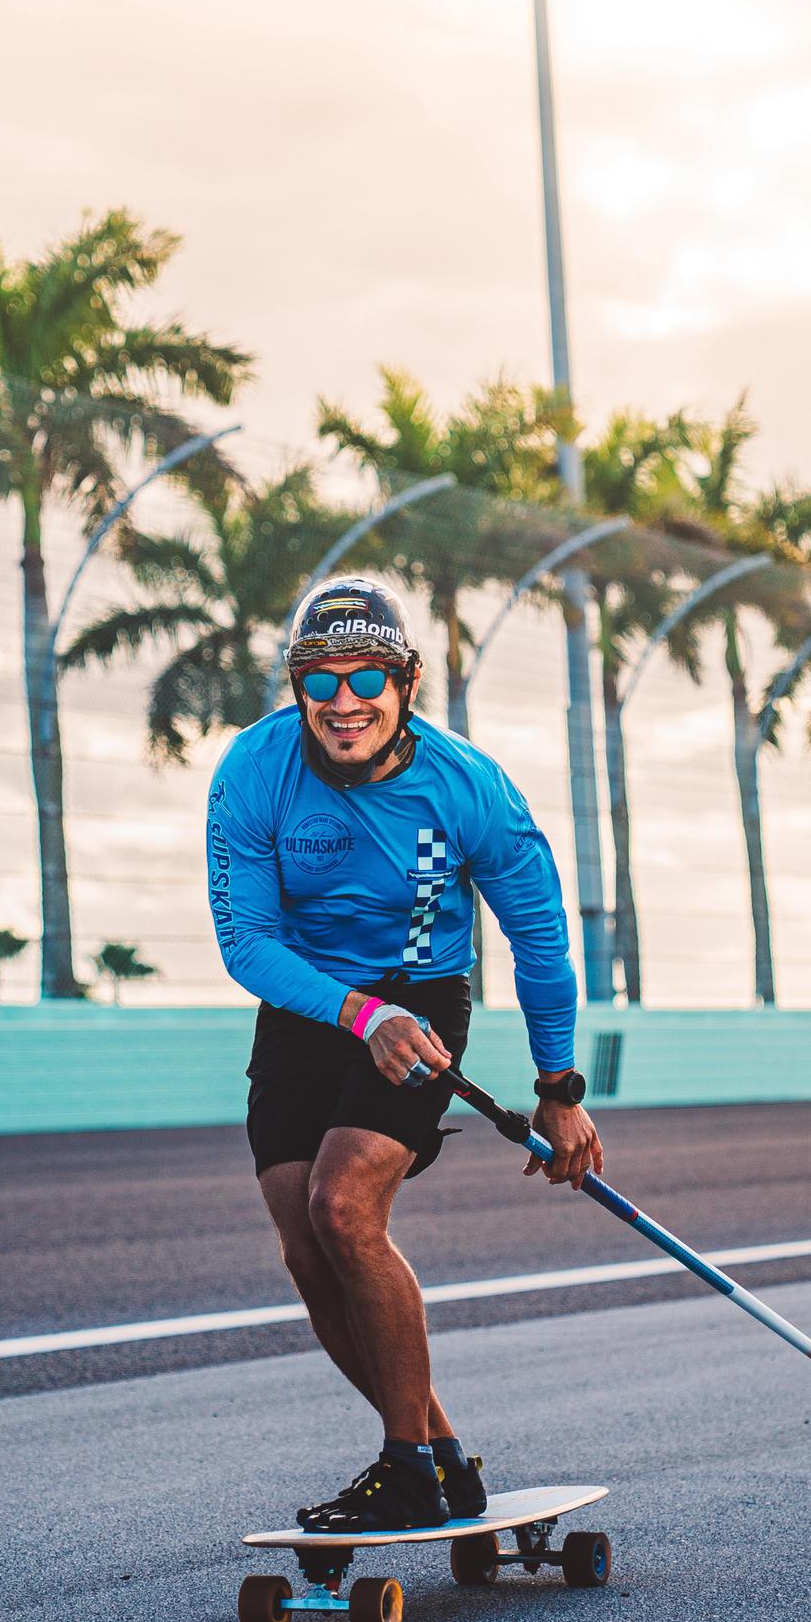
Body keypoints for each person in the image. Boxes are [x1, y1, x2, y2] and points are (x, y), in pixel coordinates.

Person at [206, 574, 605, 1533]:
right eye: (322, 681)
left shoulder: (469, 786)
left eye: (367, 678)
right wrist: (355, 1015)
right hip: (310, 999)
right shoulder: (253, 772)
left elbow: (539, 938)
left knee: (343, 1209)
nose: (345, 702)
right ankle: (440, 1460)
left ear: (407, 684)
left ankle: (402, 1465)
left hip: (422, 998)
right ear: (297, 690)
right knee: (308, 1252)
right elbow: (247, 941)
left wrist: (559, 1089)